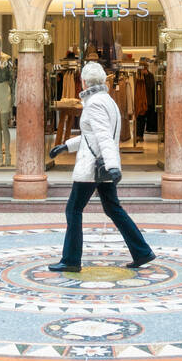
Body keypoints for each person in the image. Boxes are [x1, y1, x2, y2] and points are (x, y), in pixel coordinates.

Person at [47, 61, 155, 273]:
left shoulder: (94, 103)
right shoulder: (108, 101)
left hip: (92, 167)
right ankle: (142, 252)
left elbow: (104, 137)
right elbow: (93, 136)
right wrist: (66, 146)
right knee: (113, 208)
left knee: (74, 209)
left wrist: (114, 165)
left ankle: (70, 259)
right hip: (102, 165)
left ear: (84, 80)